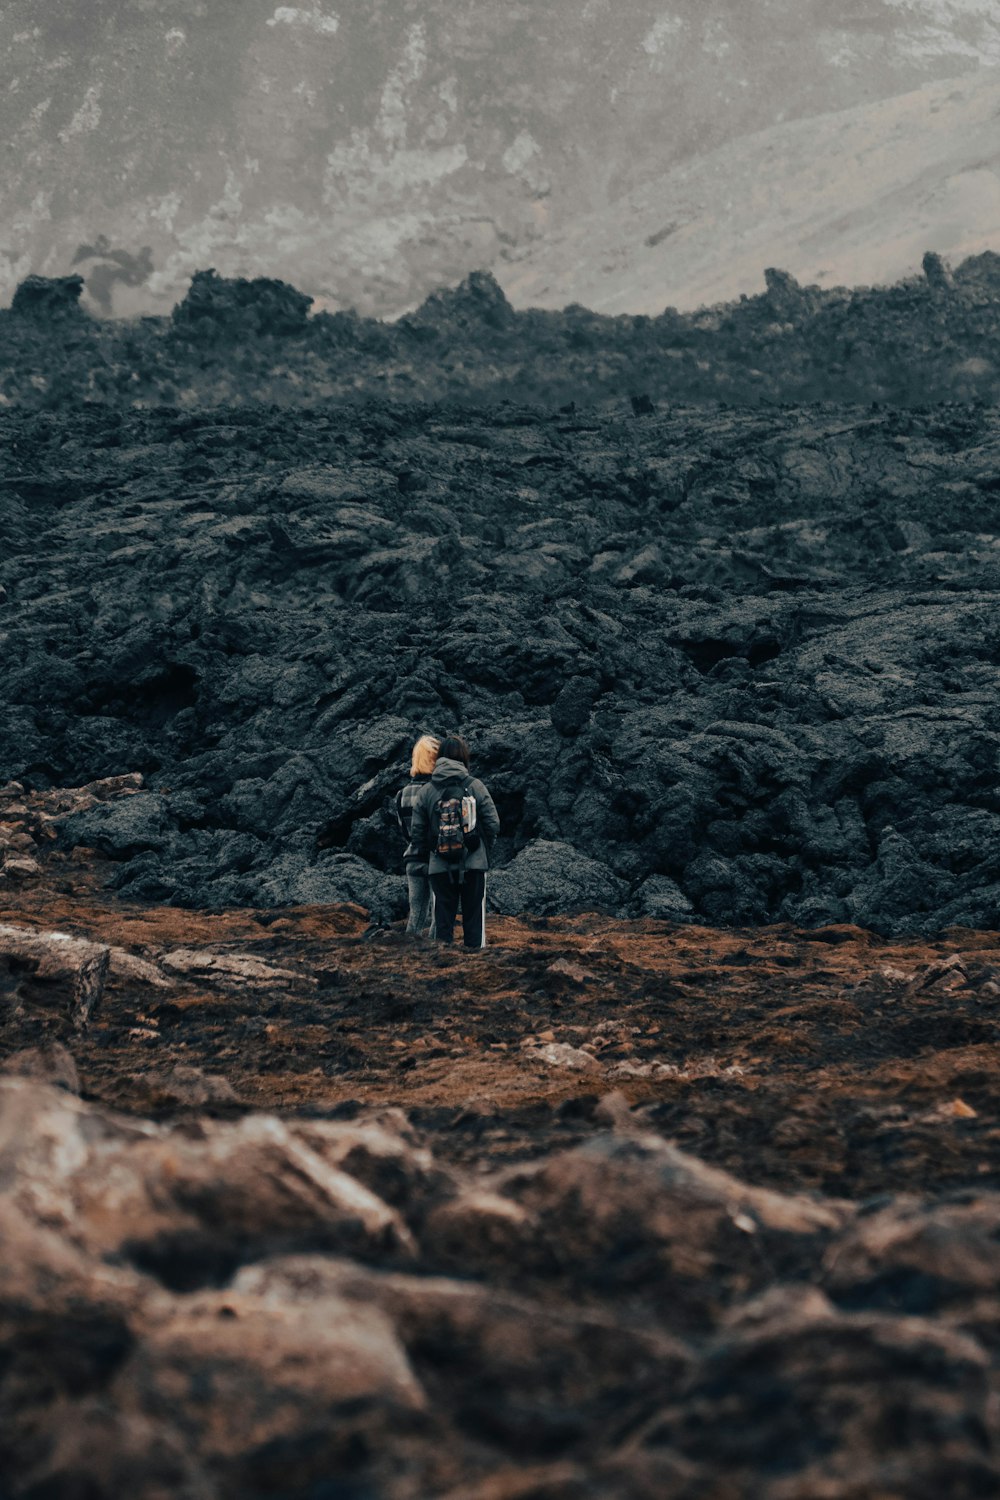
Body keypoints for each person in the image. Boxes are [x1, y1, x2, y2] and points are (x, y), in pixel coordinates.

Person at [410, 734, 500, 949]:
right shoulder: (475, 786)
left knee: (443, 919)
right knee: (473, 917)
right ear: (464, 758)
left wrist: (433, 850)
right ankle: (474, 964)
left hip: (439, 865)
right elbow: (493, 823)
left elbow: (417, 833)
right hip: (473, 863)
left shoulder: (426, 791)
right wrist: (482, 848)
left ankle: (442, 964)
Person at [395, 734, 440, 936]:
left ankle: (408, 956)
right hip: (435, 859)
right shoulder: (437, 791)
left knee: (416, 915)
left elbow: (404, 831)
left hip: (412, 858)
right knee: (439, 915)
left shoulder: (402, 794)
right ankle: (434, 959)